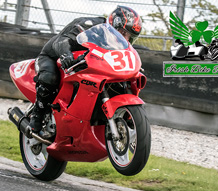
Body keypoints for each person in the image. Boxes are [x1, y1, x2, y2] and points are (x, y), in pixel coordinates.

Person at [29, 5, 143, 134]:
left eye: (130, 37)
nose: (126, 39)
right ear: (114, 24)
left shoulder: (114, 44)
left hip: (80, 60)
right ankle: (36, 117)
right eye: (123, 33)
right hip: (53, 56)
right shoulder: (88, 24)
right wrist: (66, 54)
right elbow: (61, 40)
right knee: (50, 78)